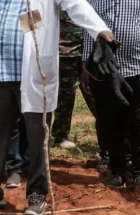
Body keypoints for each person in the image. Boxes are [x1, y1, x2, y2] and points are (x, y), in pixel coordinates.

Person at [0, 0, 112, 215]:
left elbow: (76, 3)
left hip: (33, 74)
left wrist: (99, 29)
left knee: (37, 139)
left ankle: (36, 195)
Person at [80, 0, 140, 189]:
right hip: (103, 66)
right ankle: (117, 171)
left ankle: (139, 173)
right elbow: (89, 30)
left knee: (137, 121)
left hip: (138, 64)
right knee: (110, 120)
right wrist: (85, 66)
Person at [50, 13, 82, 150]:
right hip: (63, 52)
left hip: (88, 51)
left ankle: (109, 142)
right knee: (65, 95)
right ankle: (60, 135)